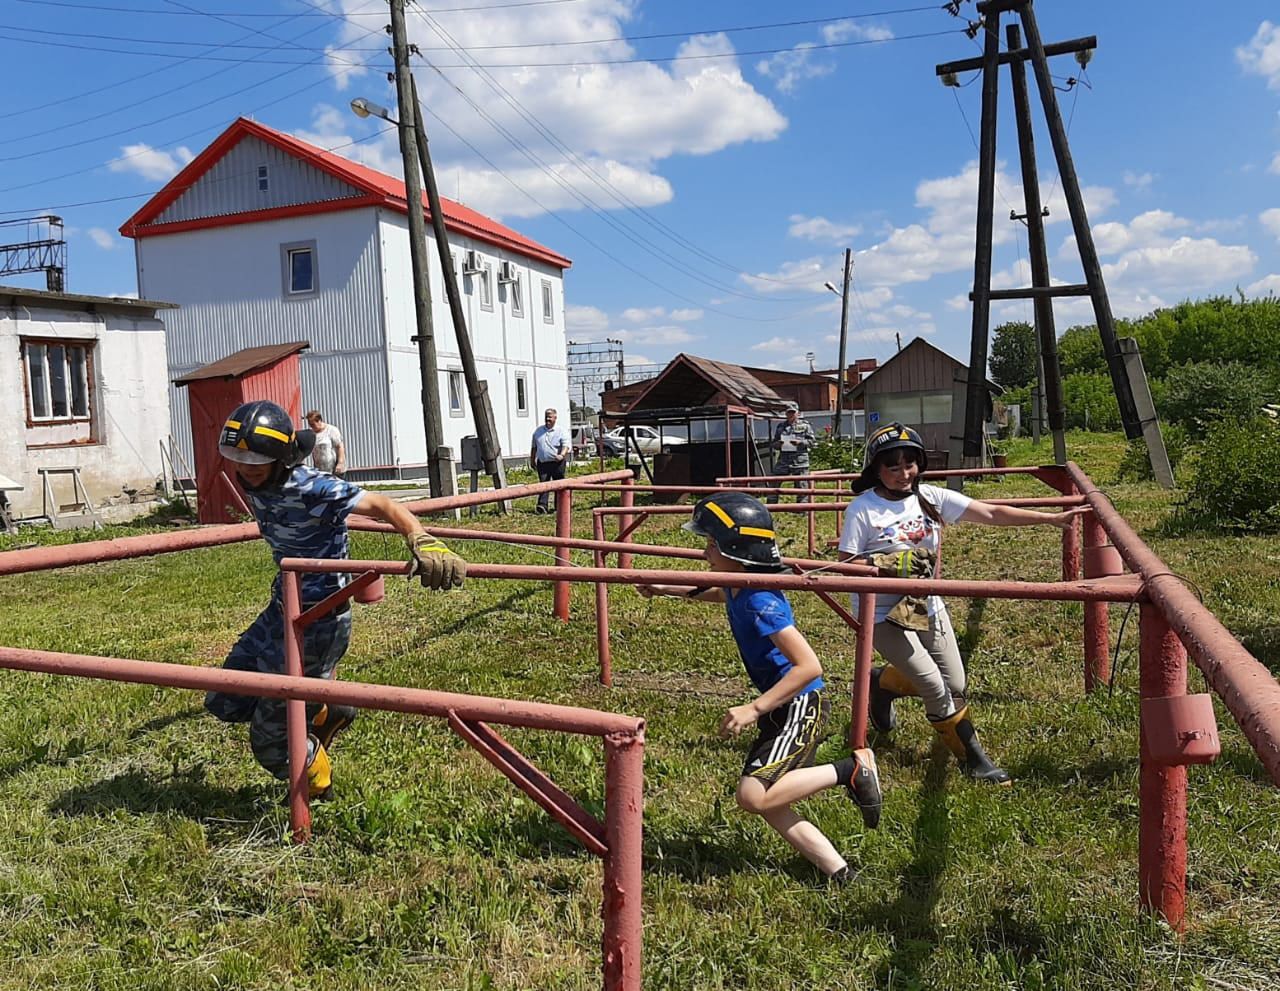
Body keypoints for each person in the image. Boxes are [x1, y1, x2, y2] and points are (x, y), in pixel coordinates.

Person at [207, 400, 466, 798]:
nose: (245, 471)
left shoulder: (312, 486)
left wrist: (422, 539)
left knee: (273, 743)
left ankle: (318, 781)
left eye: (256, 465)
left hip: (320, 620)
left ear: (280, 460)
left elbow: (383, 505)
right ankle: (327, 708)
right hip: (282, 607)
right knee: (226, 700)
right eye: (238, 462)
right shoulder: (252, 478)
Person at [637, 492, 882, 883]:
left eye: (711, 544)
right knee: (770, 800)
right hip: (782, 706)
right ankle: (839, 872)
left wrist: (752, 709)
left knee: (753, 796)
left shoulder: (760, 602)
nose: (705, 553)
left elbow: (809, 666)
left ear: (735, 548)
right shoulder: (740, 585)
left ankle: (849, 770)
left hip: (799, 705)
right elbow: (721, 595)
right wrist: (667, 588)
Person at [838, 422, 1086, 784]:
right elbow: (845, 565)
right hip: (881, 614)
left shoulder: (931, 498)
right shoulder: (863, 509)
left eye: (911, 463)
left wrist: (1051, 519)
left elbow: (990, 513)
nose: (904, 473)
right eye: (893, 466)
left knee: (955, 682)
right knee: (935, 687)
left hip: (926, 605)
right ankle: (974, 760)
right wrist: (887, 564)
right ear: (876, 468)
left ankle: (883, 683)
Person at [769, 403, 816, 503]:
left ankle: (802, 510)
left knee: (802, 486)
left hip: (800, 460)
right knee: (774, 482)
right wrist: (779, 444)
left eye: (792, 412)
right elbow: (774, 443)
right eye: (788, 413)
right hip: (784, 460)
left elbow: (812, 442)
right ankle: (771, 507)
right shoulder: (781, 426)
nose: (790, 415)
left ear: (797, 413)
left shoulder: (805, 426)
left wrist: (800, 442)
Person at [529, 407, 570, 514]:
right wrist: (532, 460)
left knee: (559, 484)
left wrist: (561, 455)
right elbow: (534, 447)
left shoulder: (561, 431)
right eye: (546, 417)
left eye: (550, 417)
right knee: (543, 484)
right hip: (543, 463)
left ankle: (560, 506)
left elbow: (566, 446)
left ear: (555, 418)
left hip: (557, 463)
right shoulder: (538, 431)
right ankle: (542, 506)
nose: (547, 419)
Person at [306, 410, 346, 477]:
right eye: (310, 425)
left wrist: (340, 463)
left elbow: (340, 447)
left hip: (335, 469)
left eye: (313, 425)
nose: (311, 427)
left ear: (319, 420)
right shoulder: (312, 434)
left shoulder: (331, 430)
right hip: (321, 471)